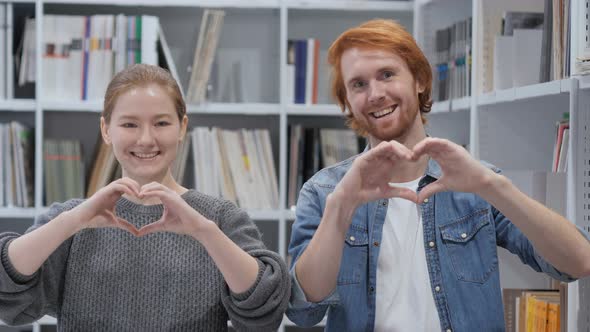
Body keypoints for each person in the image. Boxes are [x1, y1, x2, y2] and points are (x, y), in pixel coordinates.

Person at [286, 19, 590, 331]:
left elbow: (577, 262)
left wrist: (491, 183)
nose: (375, 94)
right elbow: (302, 309)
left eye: (387, 75)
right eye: (358, 85)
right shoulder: (324, 191)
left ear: (419, 79)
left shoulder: (477, 183)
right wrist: (340, 207)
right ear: (347, 101)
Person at [0, 64, 290, 331]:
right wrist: (72, 222)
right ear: (106, 130)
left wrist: (204, 232)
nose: (146, 140)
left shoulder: (220, 218)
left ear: (182, 127)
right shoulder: (74, 218)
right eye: (129, 125)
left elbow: (264, 308)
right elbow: (9, 291)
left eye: (161, 123)